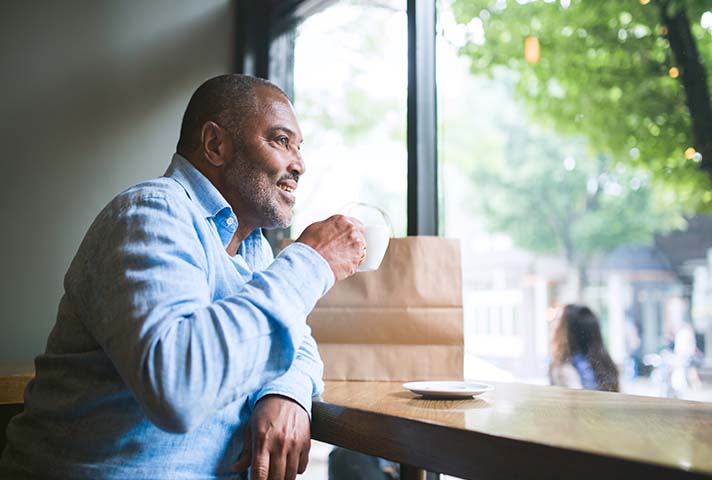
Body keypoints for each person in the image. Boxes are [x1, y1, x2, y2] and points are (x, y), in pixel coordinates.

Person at [0, 74, 367, 480]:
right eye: (281, 141)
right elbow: (179, 388)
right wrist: (311, 262)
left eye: (299, 148)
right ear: (215, 145)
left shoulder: (254, 247)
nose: (299, 164)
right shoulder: (150, 215)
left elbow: (299, 346)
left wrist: (286, 392)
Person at [548, 304, 619, 392]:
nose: (552, 325)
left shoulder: (563, 370)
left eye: (557, 321)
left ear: (567, 333)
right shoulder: (606, 366)